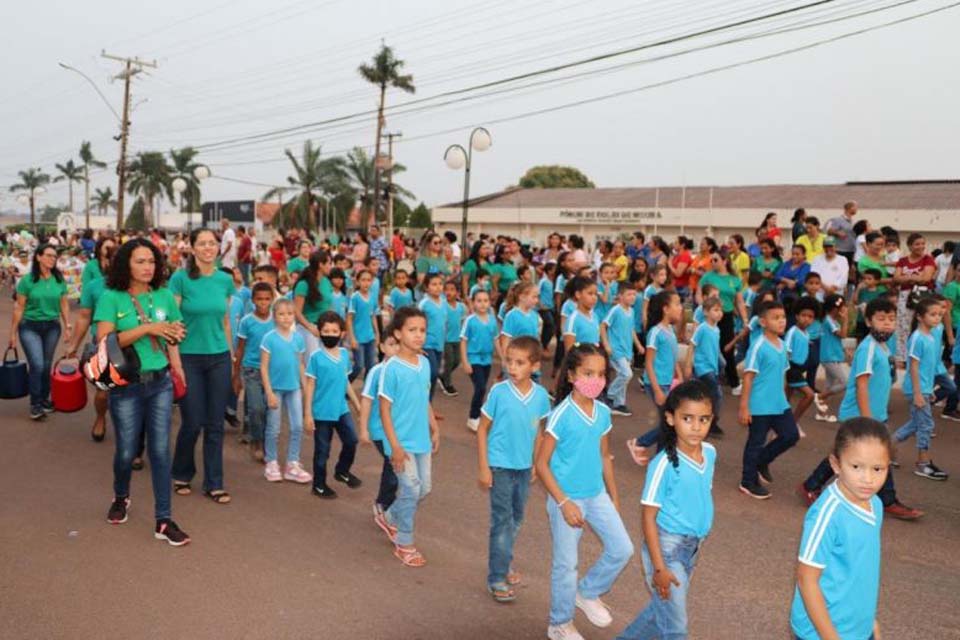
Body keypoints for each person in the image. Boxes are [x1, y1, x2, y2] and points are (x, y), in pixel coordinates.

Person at [95, 238, 190, 545]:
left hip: (160, 382)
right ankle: (121, 496)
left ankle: (163, 521)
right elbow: (105, 341)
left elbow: (174, 332)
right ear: (126, 264)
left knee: (161, 451)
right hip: (126, 387)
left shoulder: (163, 295)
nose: (148, 267)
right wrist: (148, 328)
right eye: (140, 261)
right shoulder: (112, 297)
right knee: (125, 452)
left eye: (151, 261)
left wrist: (176, 356)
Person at [536, 343, 633, 640]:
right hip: (567, 497)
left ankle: (587, 592)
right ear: (571, 375)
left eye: (601, 374)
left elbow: (605, 456)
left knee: (622, 548)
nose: (596, 379)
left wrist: (613, 495)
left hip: (596, 494)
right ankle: (559, 623)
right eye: (588, 373)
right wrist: (564, 503)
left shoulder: (603, 412)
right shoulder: (561, 415)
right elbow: (541, 464)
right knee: (566, 565)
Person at [798, 298, 923, 521]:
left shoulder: (884, 346)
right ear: (868, 321)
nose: (887, 324)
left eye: (892, 319)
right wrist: (868, 420)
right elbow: (862, 384)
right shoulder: (867, 348)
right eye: (881, 319)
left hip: (875, 415)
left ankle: (888, 500)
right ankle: (810, 486)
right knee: (845, 453)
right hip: (861, 417)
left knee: (878, 456)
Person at [618, 381, 716, 640]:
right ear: (671, 419)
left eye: (704, 419)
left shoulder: (710, 453)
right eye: (688, 418)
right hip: (666, 550)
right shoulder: (662, 464)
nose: (696, 427)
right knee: (676, 627)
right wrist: (659, 568)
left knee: (660, 612)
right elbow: (648, 516)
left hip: (692, 548)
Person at [791, 418, 890, 640]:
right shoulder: (827, 514)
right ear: (836, 465)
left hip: (857, 627)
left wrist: (869, 620)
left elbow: (860, 568)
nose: (868, 479)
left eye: (878, 469)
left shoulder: (875, 504)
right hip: (821, 633)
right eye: (856, 467)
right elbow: (807, 580)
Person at [476, 336, 551, 603]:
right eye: (509, 361)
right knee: (502, 520)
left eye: (519, 362)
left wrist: (535, 463)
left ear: (534, 365)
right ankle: (496, 576)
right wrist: (484, 467)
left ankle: (504, 557)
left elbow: (540, 433)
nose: (512, 367)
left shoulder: (541, 396)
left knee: (516, 518)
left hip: (523, 467)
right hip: (500, 465)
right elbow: (482, 429)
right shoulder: (498, 392)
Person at [170, 228, 235, 505]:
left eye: (212, 243)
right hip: (189, 358)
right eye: (203, 243)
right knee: (193, 421)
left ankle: (214, 483)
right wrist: (175, 362)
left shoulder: (224, 280)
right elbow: (173, 325)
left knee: (215, 423)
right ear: (193, 248)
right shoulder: (180, 279)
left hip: (219, 356)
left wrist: (231, 356)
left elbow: (225, 321)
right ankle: (182, 473)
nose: (208, 248)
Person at [377, 307, 441, 567]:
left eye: (422, 330)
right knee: (412, 487)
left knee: (424, 488)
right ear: (397, 334)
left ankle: (390, 516)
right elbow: (384, 409)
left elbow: (423, 398)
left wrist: (434, 427)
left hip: (421, 439)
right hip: (399, 441)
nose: (418, 335)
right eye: (412, 330)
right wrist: (394, 446)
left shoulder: (424, 363)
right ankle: (405, 543)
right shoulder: (391, 368)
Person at [738, 300, 800, 500]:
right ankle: (747, 481)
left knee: (791, 435)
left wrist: (785, 399)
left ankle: (762, 460)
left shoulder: (782, 345)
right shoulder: (758, 346)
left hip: (779, 404)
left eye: (783, 317)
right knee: (755, 442)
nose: (781, 321)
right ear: (763, 322)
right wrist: (744, 407)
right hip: (759, 404)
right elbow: (748, 377)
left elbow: (782, 376)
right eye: (776, 318)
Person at [9, 243, 71, 420]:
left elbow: (64, 304)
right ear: (38, 257)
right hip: (29, 327)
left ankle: (44, 399)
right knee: (37, 365)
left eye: (54, 256)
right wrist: (12, 333)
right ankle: (35, 404)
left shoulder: (58, 279)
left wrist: (67, 326)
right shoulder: (27, 281)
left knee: (46, 365)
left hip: (52, 327)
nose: (53, 259)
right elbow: (19, 307)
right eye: (49, 255)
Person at [305, 311, 363, 498]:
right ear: (319, 332)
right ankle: (319, 485)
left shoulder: (345, 354)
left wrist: (357, 405)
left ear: (342, 333)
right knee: (322, 451)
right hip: (321, 413)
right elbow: (310, 385)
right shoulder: (315, 357)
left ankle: (342, 471)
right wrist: (307, 414)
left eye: (334, 331)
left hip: (341, 410)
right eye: (326, 331)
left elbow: (345, 381)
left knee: (352, 440)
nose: (330, 334)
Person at [893, 298, 948, 480]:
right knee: (925, 425)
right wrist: (917, 393)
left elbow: (928, 367)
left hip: (923, 388)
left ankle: (887, 447)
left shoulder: (931, 337)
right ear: (919, 316)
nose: (937, 318)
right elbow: (914, 367)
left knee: (917, 424)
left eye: (940, 314)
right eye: (933, 314)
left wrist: (929, 389)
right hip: (916, 389)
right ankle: (922, 464)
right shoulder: (917, 338)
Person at [259, 299, 312, 484]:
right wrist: (269, 392)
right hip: (275, 389)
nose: (286, 318)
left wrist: (306, 388)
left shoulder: (298, 338)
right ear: (274, 316)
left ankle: (292, 463)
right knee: (273, 428)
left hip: (294, 388)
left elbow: (300, 364)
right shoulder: (269, 338)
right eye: (281, 314)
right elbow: (264, 367)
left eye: (290, 314)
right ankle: (271, 462)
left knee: (297, 426)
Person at [68, 239, 114, 441]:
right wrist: (74, 346)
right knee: (102, 393)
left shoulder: (137, 286)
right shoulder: (94, 285)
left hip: (133, 344)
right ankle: (100, 417)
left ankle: (134, 444)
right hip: (102, 343)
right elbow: (84, 316)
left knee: (130, 396)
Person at [632, 290, 684, 458]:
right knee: (669, 423)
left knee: (668, 422)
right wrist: (657, 390)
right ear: (665, 309)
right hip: (656, 384)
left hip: (667, 383)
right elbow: (648, 362)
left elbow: (673, 356)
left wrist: (679, 374)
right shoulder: (655, 332)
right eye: (677, 304)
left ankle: (662, 456)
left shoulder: (670, 330)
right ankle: (640, 443)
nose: (680, 308)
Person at [359, 333, 400, 535]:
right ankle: (383, 504)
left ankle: (388, 505)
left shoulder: (402, 369)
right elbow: (366, 399)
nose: (396, 349)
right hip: (378, 428)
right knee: (393, 464)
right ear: (382, 347)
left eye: (399, 345)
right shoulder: (377, 371)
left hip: (397, 428)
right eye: (391, 345)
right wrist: (364, 428)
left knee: (395, 465)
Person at [233, 282, 275, 462]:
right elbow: (240, 349)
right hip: (251, 370)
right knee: (256, 408)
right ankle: (256, 440)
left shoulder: (277, 320)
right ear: (253, 300)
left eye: (267, 299)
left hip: (273, 371)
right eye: (259, 299)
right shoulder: (246, 321)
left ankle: (265, 442)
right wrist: (236, 375)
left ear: (272, 300)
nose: (263, 303)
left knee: (268, 409)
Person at [700, 252, 749, 395]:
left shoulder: (734, 280)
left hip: (726, 316)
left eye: (716, 259)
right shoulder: (707, 277)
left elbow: (739, 302)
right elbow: (699, 294)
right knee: (707, 348)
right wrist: (704, 309)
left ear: (724, 261)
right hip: (710, 315)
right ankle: (704, 380)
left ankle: (733, 383)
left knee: (727, 350)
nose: (713, 262)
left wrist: (745, 319)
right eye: (711, 260)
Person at [601, 281, 644, 417]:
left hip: (627, 350)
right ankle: (609, 395)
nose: (632, 297)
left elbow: (631, 330)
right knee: (627, 374)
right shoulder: (615, 310)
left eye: (634, 294)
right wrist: (607, 345)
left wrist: (638, 345)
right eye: (629, 294)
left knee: (623, 376)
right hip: (616, 349)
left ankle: (619, 404)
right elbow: (602, 326)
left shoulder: (631, 311)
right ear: (620, 296)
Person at [892, 232, 936, 362]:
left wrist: (907, 278)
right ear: (910, 246)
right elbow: (896, 278)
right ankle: (903, 357)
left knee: (922, 324)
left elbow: (926, 278)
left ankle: (920, 356)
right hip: (905, 296)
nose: (921, 246)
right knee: (903, 326)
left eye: (923, 243)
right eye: (917, 244)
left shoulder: (928, 259)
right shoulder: (903, 261)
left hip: (923, 295)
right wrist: (915, 277)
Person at [685, 296, 724, 437]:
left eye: (720, 310)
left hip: (712, 368)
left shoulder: (717, 329)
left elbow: (715, 349)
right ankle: (712, 423)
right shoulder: (702, 328)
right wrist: (688, 365)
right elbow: (692, 345)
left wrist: (721, 363)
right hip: (703, 368)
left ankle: (697, 419)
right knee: (717, 395)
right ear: (706, 312)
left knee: (702, 395)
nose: (719, 313)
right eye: (716, 310)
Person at [461, 289, 499, 433]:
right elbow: (463, 341)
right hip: (473, 358)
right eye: (479, 301)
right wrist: (465, 361)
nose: (482, 304)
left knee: (482, 388)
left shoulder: (492, 320)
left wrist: (503, 358)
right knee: (481, 387)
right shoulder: (470, 320)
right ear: (473, 303)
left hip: (487, 359)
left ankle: (478, 415)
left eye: (485, 301)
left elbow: (496, 339)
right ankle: (473, 417)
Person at [785, 297, 821, 432]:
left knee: (785, 401)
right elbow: (786, 351)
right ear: (796, 316)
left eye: (810, 317)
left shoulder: (806, 333)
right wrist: (783, 374)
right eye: (804, 315)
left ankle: (782, 427)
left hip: (799, 370)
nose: (807, 319)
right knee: (809, 395)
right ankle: (792, 423)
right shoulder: (793, 331)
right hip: (792, 369)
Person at [293, 250, 334, 354]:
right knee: (311, 362)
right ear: (321, 265)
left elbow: (328, 305)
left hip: (324, 328)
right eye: (329, 263)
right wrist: (310, 327)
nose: (331, 266)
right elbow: (296, 311)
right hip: (308, 328)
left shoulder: (326, 282)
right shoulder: (303, 284)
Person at [417, 273, 448, 399]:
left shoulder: (444, 301)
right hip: (427, 343)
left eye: (440, 284)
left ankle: (428, 406)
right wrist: (418, 344)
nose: (438, 287)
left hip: (439, 344)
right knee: (432, 372)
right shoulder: (424, 304)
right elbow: (417, 322)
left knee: (434, 377)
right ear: (426, 287)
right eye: (434, 284)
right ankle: (422, 402)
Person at [346, 270, 379, 383]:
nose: (366, 283)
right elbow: (349, 319)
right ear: (358, 282)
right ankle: (346, 385)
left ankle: (367, 390)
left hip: (370, 336)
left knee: (371, 366)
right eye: (363, 280)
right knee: (359, 366)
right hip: (358, 337)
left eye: (369, 280)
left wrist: (377, 333)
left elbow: (373, 316)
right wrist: (352, 338)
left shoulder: (373, 297)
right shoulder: (355, 297)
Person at [439, 280, 466, 396]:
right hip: (446, 339)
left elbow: (463, 321)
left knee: (457, 361)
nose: (448, 292)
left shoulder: (461, 307)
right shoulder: (442, 305)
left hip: (457, 339)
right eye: (446, 289)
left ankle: (443, 376)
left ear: (457, 292)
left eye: (452, 289)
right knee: (449, 361)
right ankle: (448, 384)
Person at [562, 276, 600, 350]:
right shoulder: (573, 320)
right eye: (590, 294)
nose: (594, 297)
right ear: (578, 295)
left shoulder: (595, 316)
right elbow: (569, 350)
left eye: (596, 294)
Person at [824, 200, 858, 268]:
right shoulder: (838, 220)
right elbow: (829, 231)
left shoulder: (852, 221)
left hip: (850, 250)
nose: (857, 209)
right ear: (850, 208)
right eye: (856, 207)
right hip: (841, 250)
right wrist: (837, 233)